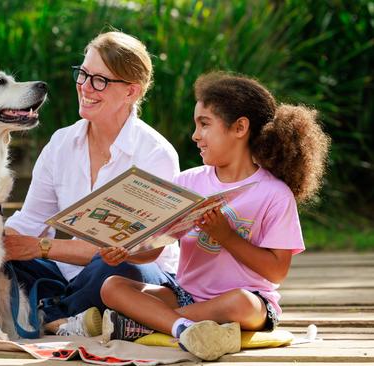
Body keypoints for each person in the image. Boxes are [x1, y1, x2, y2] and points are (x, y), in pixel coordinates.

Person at [99, 72, 330, 361]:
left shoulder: (274, 194)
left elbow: (276, 272)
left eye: (204, 124)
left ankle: (148, 324)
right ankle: (181, 326)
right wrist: (127, 252)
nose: (195, 135)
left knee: (240, 304)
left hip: (248, 301)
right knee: (112, 287)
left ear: (240, 127)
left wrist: (226, 236)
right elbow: (156, 247)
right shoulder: (187, 183)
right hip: (187, 295)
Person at [3, 31, 181, 337]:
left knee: (114, 265)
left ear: (131, 92)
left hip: (136, 275)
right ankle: (72, 316)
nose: (85, 87)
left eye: (100, 80)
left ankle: (50, 314)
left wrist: (40, 247)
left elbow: (130, 250)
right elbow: (29, 223)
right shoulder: (60, 144)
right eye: (83, 74)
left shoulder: (155, 154)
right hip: (70, 275)